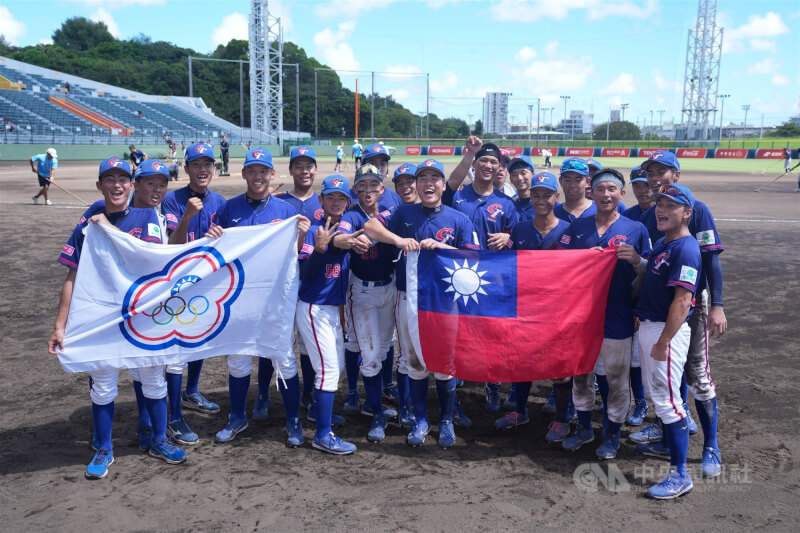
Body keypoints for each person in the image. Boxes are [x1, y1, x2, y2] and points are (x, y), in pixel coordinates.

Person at [48, 157, 187, 480]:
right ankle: (104, 448)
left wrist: (108, 228)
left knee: (153, 380)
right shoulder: (89, 221)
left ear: (131, 185)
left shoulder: (146, 216)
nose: (117, 185)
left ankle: (159, 439)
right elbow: (73, 275)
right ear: (100, 185)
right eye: (109, 179)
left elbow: (149, 259)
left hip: (141, 316)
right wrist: (59, 326)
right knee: (103, 386)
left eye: (122, 179)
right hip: (101, 317)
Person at [363, 159, 479, 448]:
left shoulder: (459, 218)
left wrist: (443, 247)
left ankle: (446, 420)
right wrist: (398, 240)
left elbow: (474, 257)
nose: (428, 183)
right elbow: (370, 226)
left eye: (434, 178)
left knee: (445, 365)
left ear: (443, 185)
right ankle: (421, 419)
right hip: (409, 298)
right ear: (416, 185)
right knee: (414, 362)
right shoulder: (403, 212)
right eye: (423, 178)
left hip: (444, 302)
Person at [632, 150, 726, 479]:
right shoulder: (652, 213)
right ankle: (667, 430)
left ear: (677, 174)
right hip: (663, 302)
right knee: (668, 377)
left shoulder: (697, 209)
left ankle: (711, 445)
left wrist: (717, 305)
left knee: (696, 373)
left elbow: (711, 260)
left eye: (662, 171)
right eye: (650, 172)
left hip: (690, 302)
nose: (655, 177)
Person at [206, 148, 309, 446]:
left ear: (272, 174)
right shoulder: (229, 209)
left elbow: (296, 253)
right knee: (238, 359)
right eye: (252, 170)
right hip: (239, 296)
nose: (258, 176)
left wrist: (302, 234)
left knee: (283, 358)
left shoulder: (286, 211)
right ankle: (237, 417)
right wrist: (213, 236)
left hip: (275, 297)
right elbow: (216, 252)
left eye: (263, 170)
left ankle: (293, 421)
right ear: (244, 174)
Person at [557, 169, 651, 460]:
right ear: (592, 193)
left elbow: (651, 275)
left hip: (618, 314)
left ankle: (611, 433)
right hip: (581, 316)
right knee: (581, 374)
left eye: (612, 189)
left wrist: (637, 260)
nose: (606, 194)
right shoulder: (577, 229)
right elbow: (559, 269)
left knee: (616, 377)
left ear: (622, 194)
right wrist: (583, 260)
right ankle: (584, 427)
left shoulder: (636, 229)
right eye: (601, 189)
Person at [634, 183, 702, 499]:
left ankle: (679, 476)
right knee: (661, 397)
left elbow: (682, 301)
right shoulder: (664, 242)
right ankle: (667, 446)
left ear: (687, 213)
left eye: (671, 206)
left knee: (668, 403)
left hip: (666, 332)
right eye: (660, 204)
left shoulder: (686, 248)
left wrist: (663, 341)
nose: (662, 210)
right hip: (653, 327)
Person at [443, 137, 519, 413]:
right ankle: (453, 383)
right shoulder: (458, 195)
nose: (488, 165)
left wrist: (508, 238)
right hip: (459, 276)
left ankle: (492, 384)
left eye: (493, 162)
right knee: (457, 333)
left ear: (499, 168)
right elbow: (449, 185)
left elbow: (517, 239)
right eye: (483, 160)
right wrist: (469, 154)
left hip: (493, 280)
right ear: (475, 164)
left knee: (493, 334)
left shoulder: (506, 203)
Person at [160, 143, 227, 445]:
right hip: (177, 286)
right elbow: (172, 245)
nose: (203, 170)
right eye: (196, 164)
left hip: (207, 285)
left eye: (207, 164)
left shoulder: (221, 202)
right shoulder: (172, 200)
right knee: (176, 353)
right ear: (186, 168)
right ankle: (173, 415)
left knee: (200, 342)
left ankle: (191, 392)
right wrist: (187, 216)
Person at [499, 171, 572, 434]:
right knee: (522, 361)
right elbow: (507, 266)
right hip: (525, 307)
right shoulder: (520, 229)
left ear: (557, 197)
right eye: (536, 195)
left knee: (561, 367)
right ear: (530, 197)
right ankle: (520, 412)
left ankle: (562, 418)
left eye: (547, 195)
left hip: (558, 310)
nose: (541, 200)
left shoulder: (569, 230)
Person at [333, 164, 399, 442]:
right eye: (362, 186)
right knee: (369, 355)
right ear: (355, 189)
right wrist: (346, 241)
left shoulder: (392, 212)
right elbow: (340, 236)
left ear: (382, 189)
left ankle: (373, 404)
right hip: (362, 291)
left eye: (373, 185)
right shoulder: (352, 214)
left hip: (390, 288)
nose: (368, 190)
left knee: (383, 349)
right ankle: (377, 416)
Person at [295, 174, 357, 455]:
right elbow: (305, 275)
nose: (335, 202)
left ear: (347, 202)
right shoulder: (313, 230)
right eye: (330, 197)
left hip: (331, 309)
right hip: (313, 306)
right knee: (328, 370)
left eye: (341, 198)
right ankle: (322, 435)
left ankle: (318, 412)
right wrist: (319, 251)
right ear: (320, 200)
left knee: (337, 367)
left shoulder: (347, 229)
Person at [621, 165, 654, 427]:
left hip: (656, 294)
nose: (643, 190)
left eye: (646, 184)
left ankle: (673, 408)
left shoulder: (665, 211)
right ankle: (638, 401)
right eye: (638, 185)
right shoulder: (628, 215)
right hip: (631, 292)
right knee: (632, 357)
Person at [507, 155, 536, 222]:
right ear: (510, 179)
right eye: (514, 175)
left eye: (523, 173)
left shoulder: (543, 204)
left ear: (533, 175)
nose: (519, 178)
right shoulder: (509, 204)